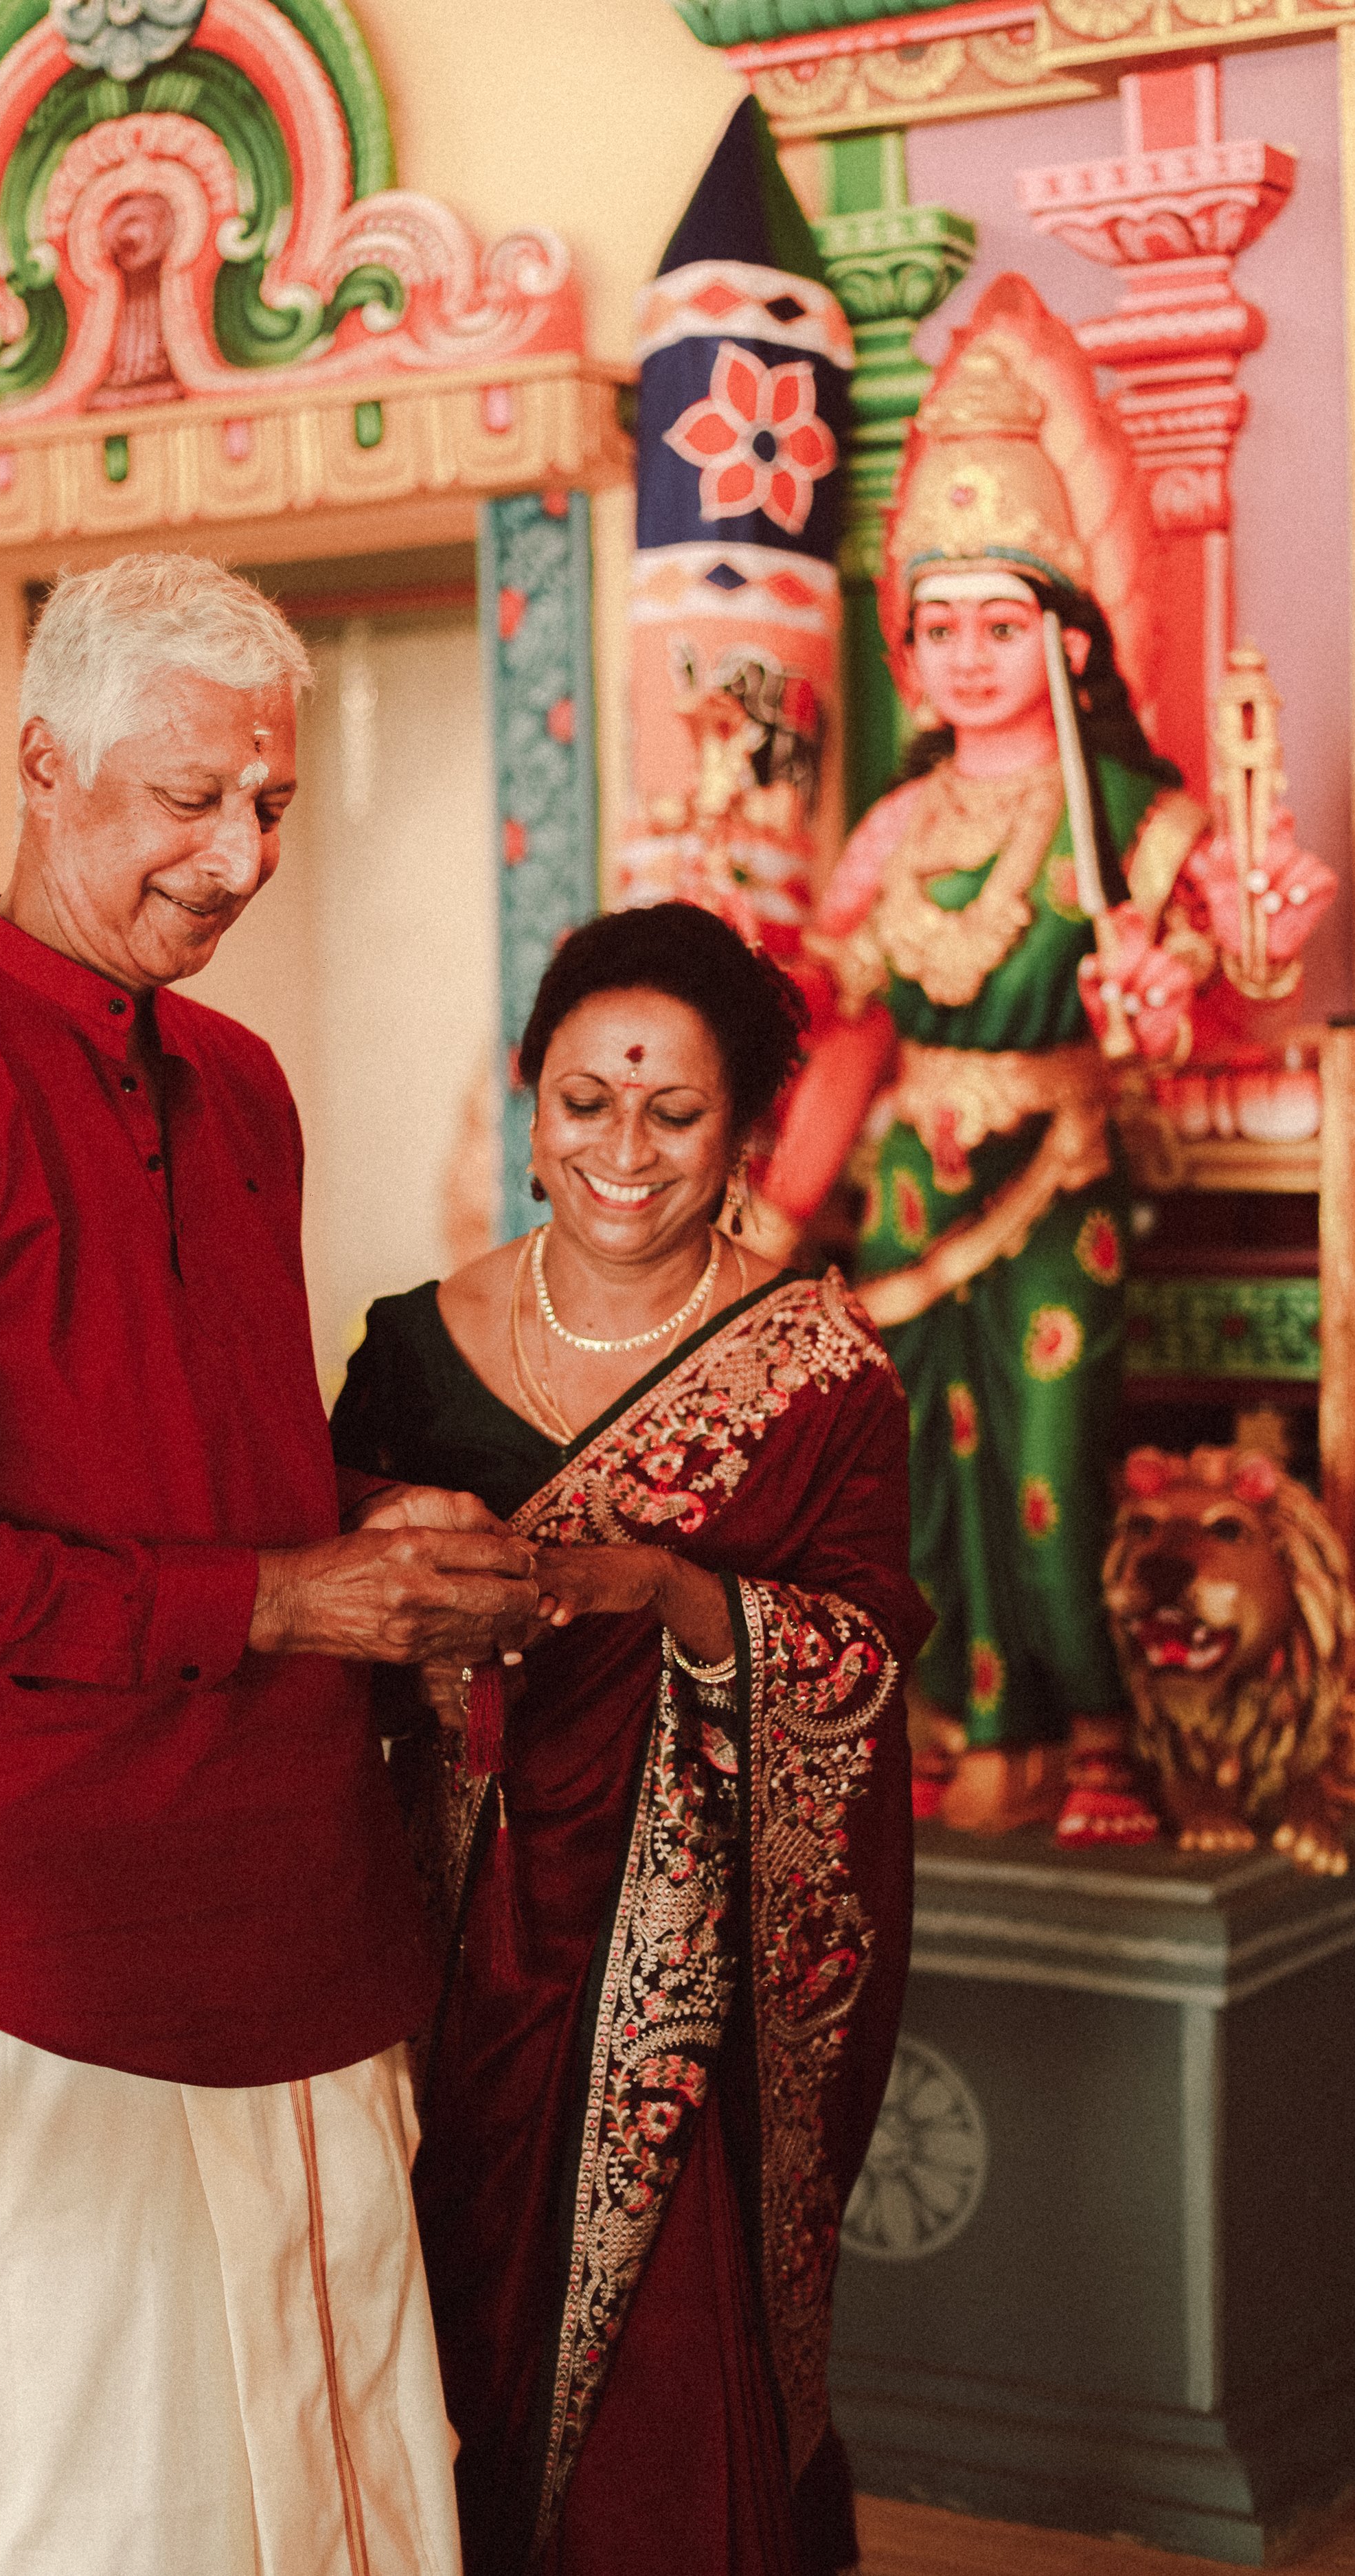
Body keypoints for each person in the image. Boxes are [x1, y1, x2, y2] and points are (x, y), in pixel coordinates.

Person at [0, 552, 540, 2576]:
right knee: (111, 2494)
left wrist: (369, 1531)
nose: (241, 851)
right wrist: (284, 1597)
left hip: (296, 1884)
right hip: (54, 1930)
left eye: (269, 800)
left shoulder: (235, 1083)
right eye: (190, 796)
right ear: (41, 763)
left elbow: (199, 1456)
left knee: (353, 2455)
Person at [331, 903, 931, 2576]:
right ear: (530, 1103)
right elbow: (317, 1623)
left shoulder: (814, 1375)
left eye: (674, 1115)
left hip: (682, 1995)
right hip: (430, 1960)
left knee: (655, 2422)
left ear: (743, 1134)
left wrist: (673, 1591)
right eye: (583, 1099)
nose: (622, 1149)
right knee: (414, 2356)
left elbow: (866, 1660)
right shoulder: (407, 1346)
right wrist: (396, 1541)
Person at [771, 273, 1334, 1842]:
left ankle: (1095, 1734)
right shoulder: (889, 829)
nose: (960, 657)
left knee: (1042, 1464)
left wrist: (1219, 951)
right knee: (909, 1486)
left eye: (996, 624)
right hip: (900, 1197)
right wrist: (768, 1217)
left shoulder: (1138, 822)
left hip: (1057, 1178)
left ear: (1070, 638)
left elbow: (1223, 988)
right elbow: (850, 1034)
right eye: (934, 627)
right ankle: (965, 1724)